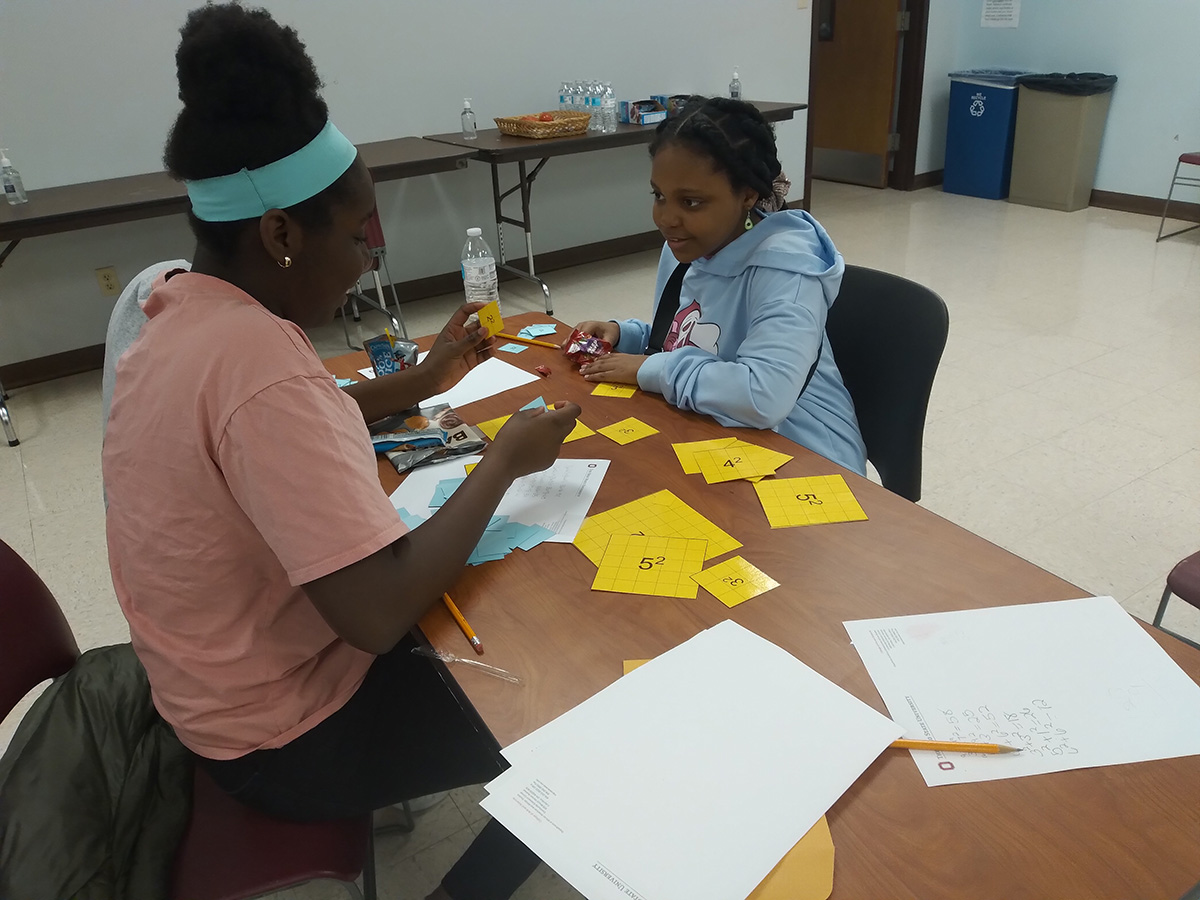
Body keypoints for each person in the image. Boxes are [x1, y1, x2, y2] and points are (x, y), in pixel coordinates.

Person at [102, 6, 579, 899]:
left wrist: (421, 382)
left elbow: (262, 430)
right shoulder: (260, 366)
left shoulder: (181, 310)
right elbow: (377, 613)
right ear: (281, 234)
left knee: (498, 614)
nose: (373, 254)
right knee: (566, 703)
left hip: (208, 694)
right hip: (282, 739)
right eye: (361, 230)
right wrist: (503, 461)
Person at [569, 96, 867, 475]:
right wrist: (625, 335)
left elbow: (763, 396)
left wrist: (650, 369)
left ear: (747, 194)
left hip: (806, 456)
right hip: (718, 434)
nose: (666, 218)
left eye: (691, 202)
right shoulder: (687, 245)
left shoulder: (788, 271)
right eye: (659, 196)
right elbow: (691, 340)